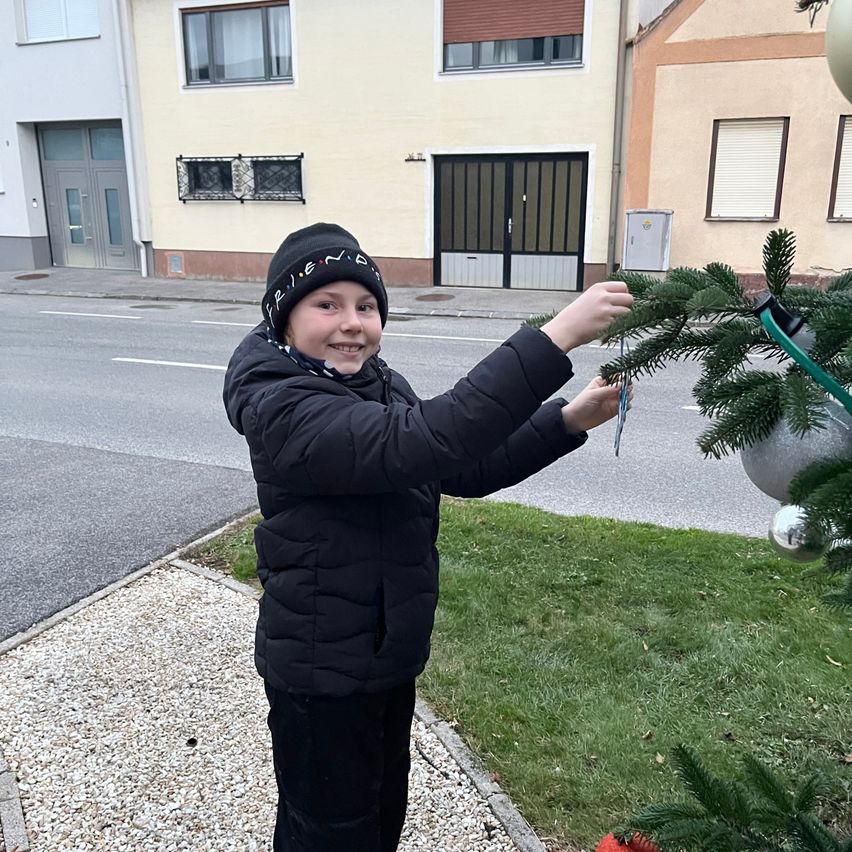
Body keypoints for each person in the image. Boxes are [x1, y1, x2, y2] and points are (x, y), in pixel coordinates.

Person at [223, 222, 634, 852]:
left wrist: (567, 420)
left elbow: (458, 466)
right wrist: (558, 337)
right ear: (284, 318)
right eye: (326, 305)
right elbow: (421, 440)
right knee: (329, 833)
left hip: (383, 653)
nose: (351, 323)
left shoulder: (375, 382)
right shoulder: (282, 406)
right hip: (322, 669)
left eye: (366, 306)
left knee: (381, 815)